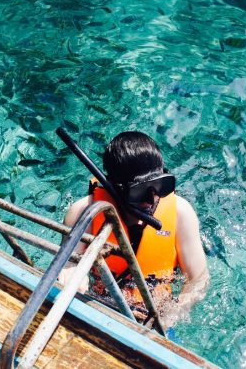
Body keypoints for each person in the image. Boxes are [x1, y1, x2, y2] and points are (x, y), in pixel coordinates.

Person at [59, 131, 209, 328]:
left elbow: (199, 279)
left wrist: (172, 313)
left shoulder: (181, 213)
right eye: (140, 191)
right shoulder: (83, 213)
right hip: (97, 304)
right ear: (116, 187)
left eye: (160, 185)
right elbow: (68, 264)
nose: (152, 198)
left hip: (154, 314)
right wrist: (72, 273)